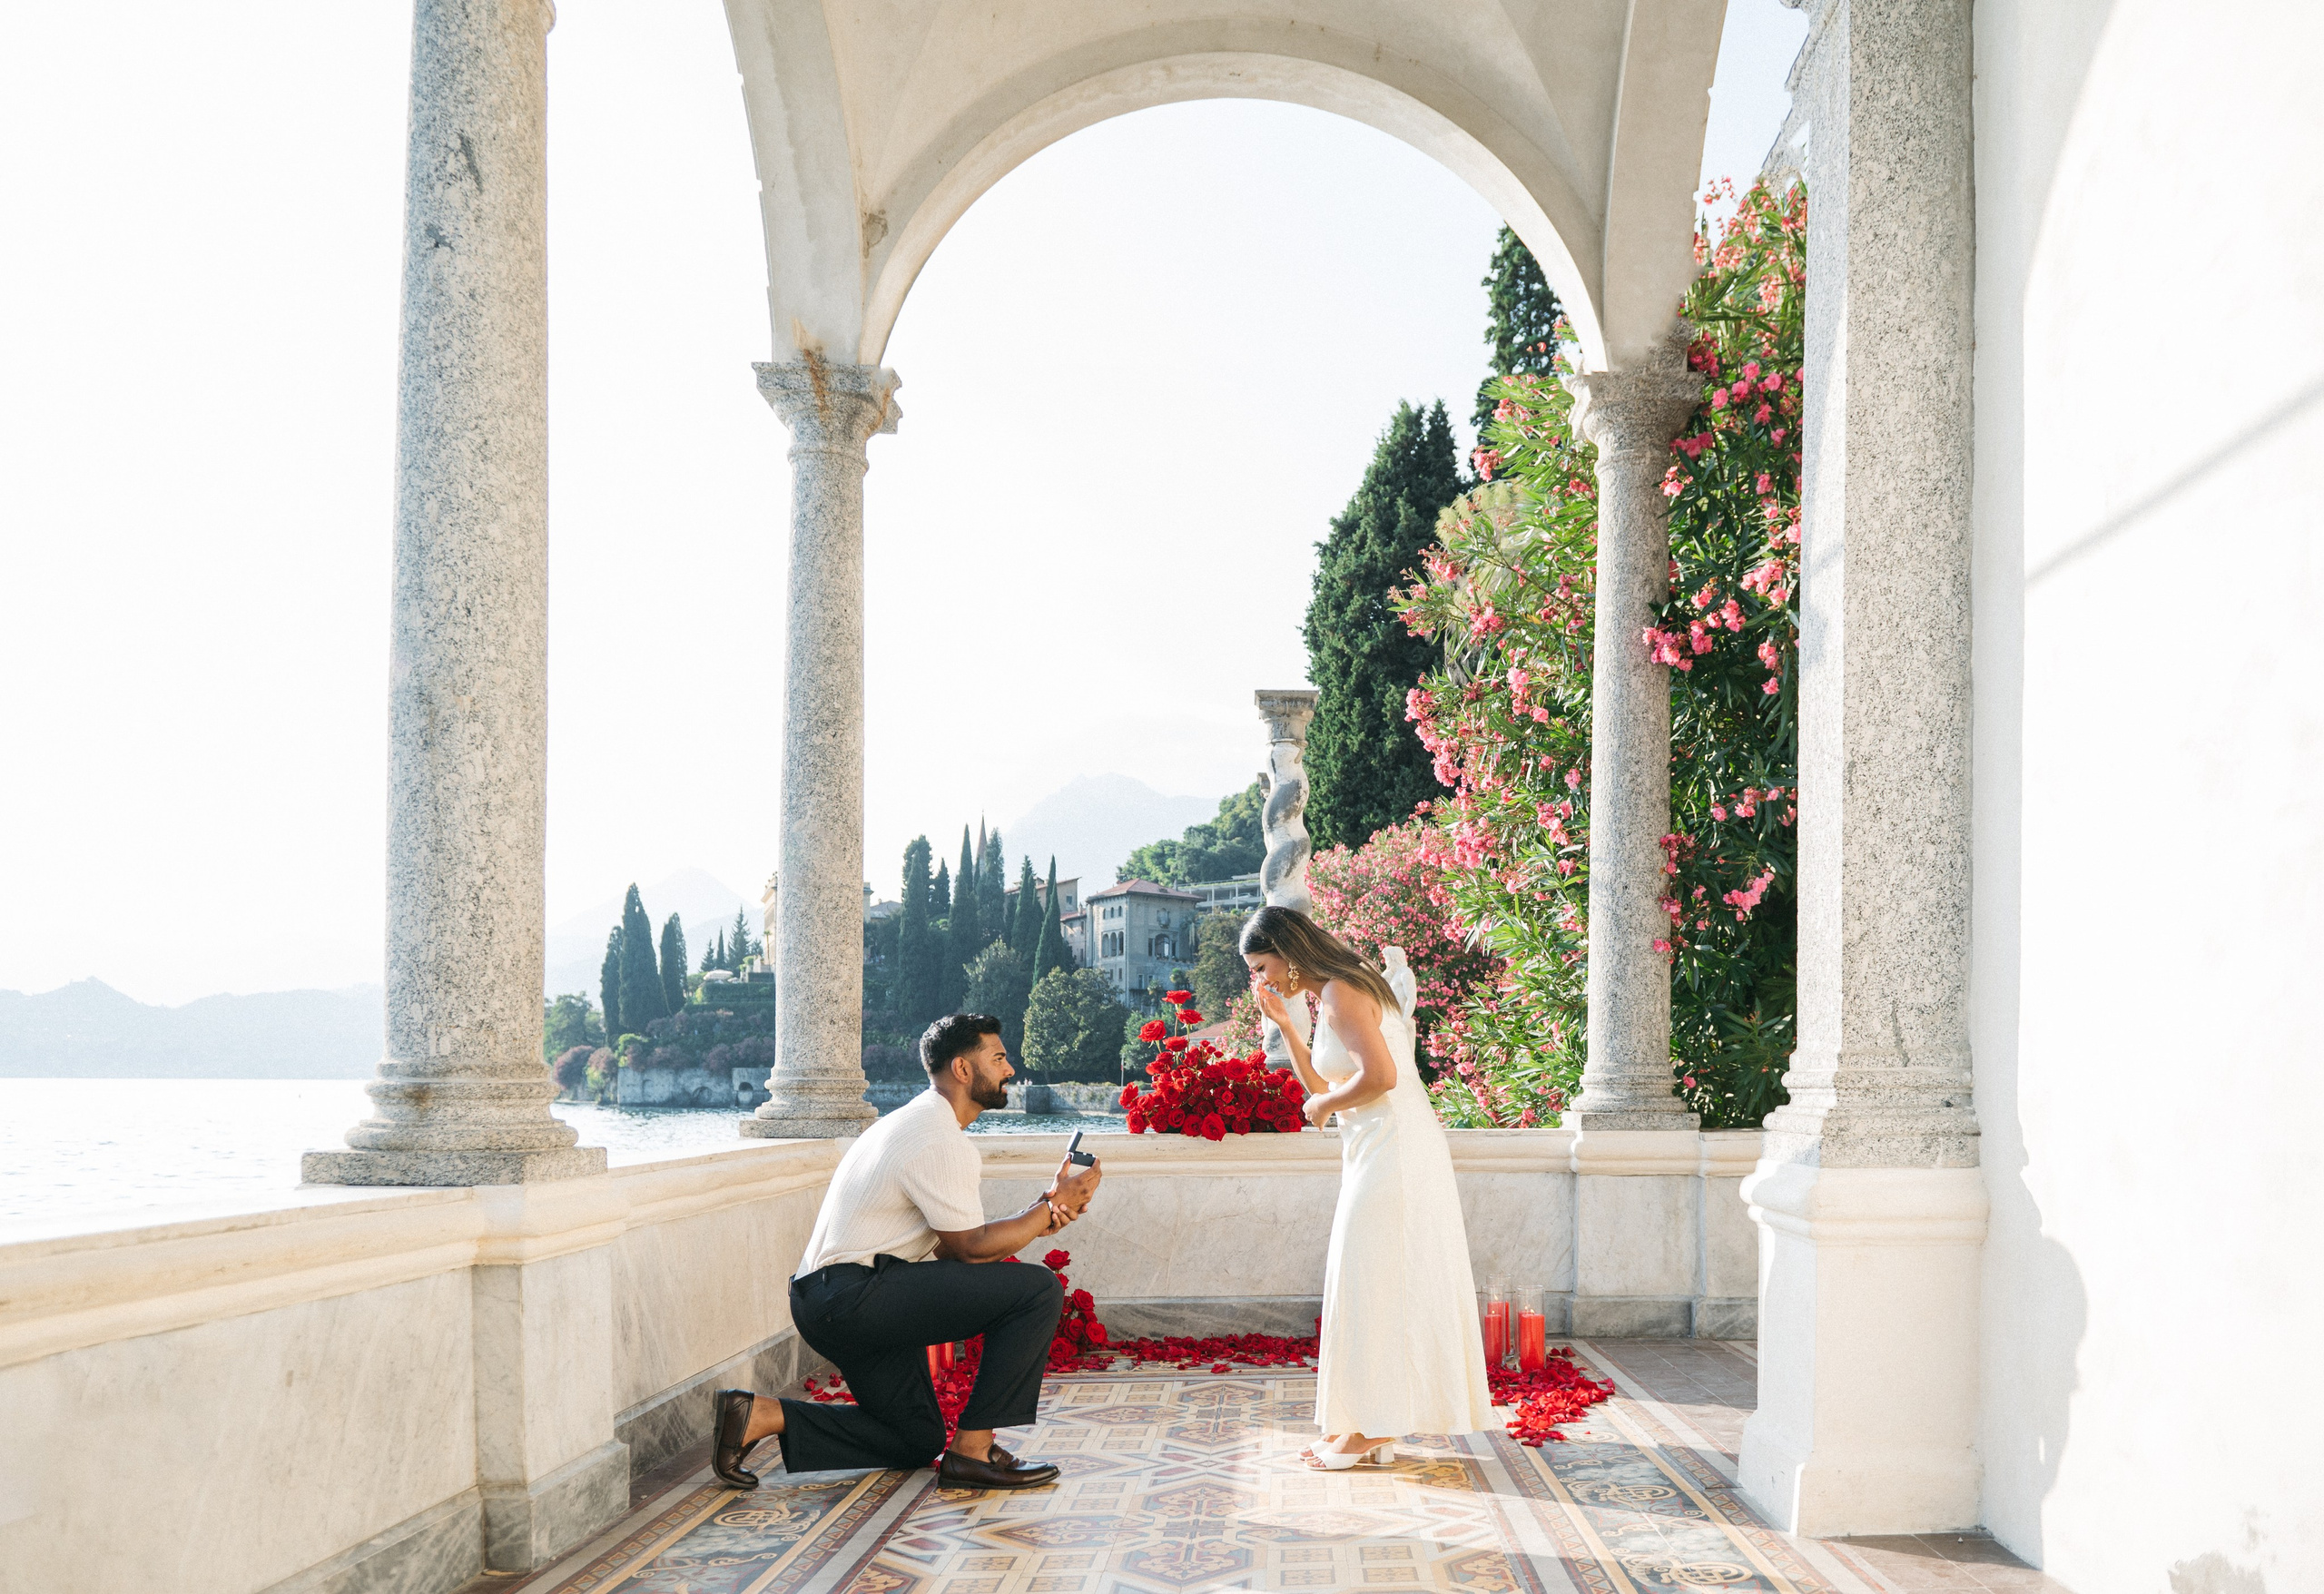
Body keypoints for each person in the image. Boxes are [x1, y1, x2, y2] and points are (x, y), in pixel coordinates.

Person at [709, 1012, 1102, 1491]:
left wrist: (1043, 1211)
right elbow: (971, 1251)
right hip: (852, 1297)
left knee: (914, 1438)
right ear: (962, 1069)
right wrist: (1053, 1207)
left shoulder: (919, 1123)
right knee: (1037, 1290)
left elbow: (951, 1249)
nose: (1009, 1070)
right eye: (998, 1058)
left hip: (829, 1300)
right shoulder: (936, 1138)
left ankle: (762, 1416)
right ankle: (973, 1452)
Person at [1243, 905, 1496, 1469]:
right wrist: (1286, 1027)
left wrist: (1324, 1102)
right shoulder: (1328, 995)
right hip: (1372, 1148)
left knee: (1376, 1277)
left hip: (1395, 1149)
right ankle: (1367, 1422)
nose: (1260, 980)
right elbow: (1324, 1090)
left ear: (1287, 953)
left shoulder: (1341, 991)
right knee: (1370, 1279)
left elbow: (1379, 1079)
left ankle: (1372, 1429)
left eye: (1262, 966)